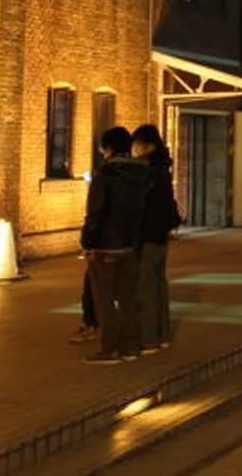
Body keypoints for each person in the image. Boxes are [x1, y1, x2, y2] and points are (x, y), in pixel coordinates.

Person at [80, 127, 149, 364]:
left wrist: (88, 241)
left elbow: (95, 212)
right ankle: (131, 345)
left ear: (106, 148)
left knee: (104, 299)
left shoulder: (105, 175)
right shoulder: (141, 173)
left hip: (105, 244)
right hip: (130, 244)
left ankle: (109, 348)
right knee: (128, 297)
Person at [133, 124, 181, 354]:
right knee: (159, 284)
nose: (133, 149)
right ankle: (162, 334)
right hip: (161, 234)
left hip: (147, 235)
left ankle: (148, 337)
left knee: (146, 286)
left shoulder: (145, 170)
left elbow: (142, 205)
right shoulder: (162, 169)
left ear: (147, 145)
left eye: (136, 144)